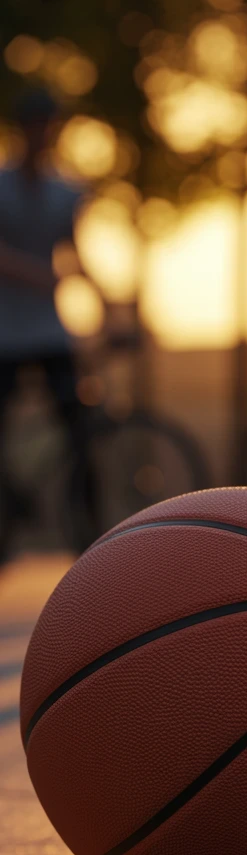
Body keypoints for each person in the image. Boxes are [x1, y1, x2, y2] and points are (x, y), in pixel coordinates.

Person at [0, 88, 91, 556]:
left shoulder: (66, 191)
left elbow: (75, 252)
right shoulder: (2, 185)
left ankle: (91, 537)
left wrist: (107, 304)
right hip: (5, 333)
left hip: (49, 330)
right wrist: (38, 276)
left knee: (81, 430)